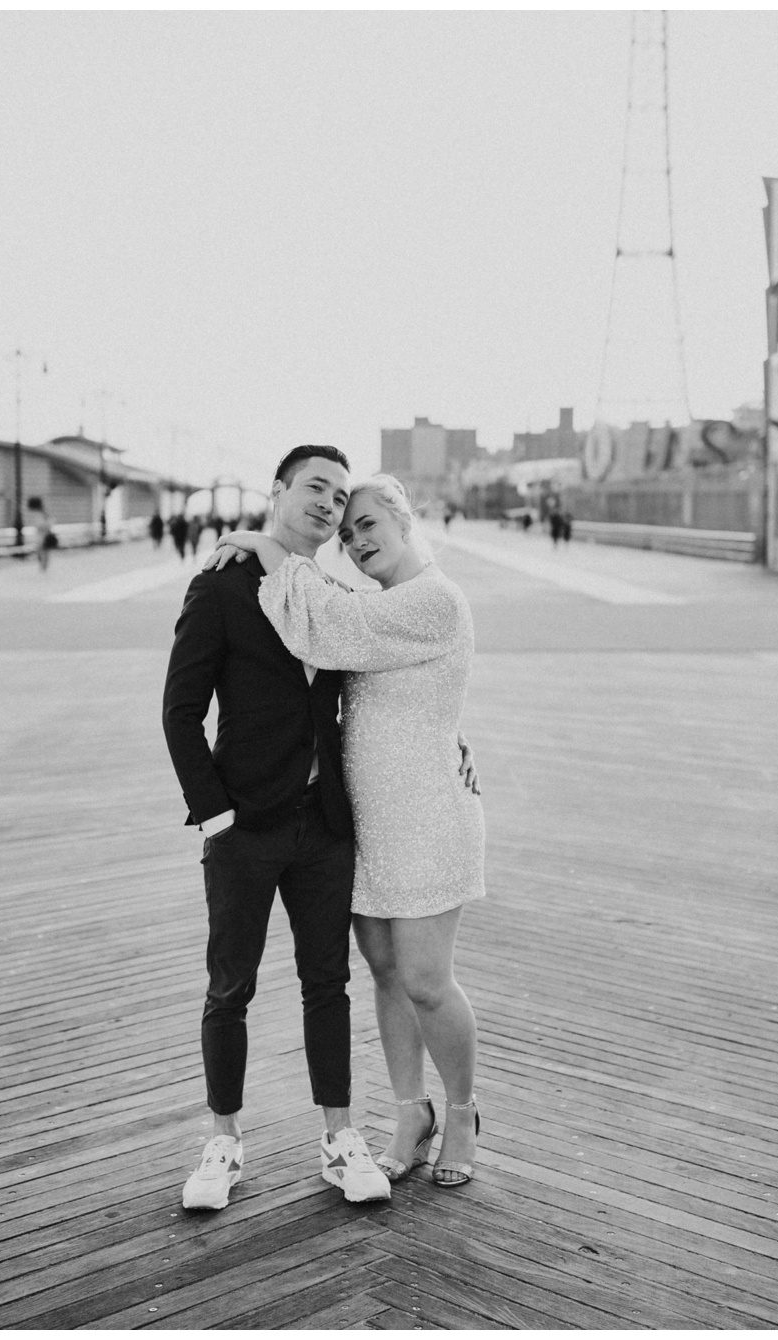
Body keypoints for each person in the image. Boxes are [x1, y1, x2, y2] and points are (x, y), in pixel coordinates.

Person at [207, 473, 486, 1189]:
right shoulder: (375, 602)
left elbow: (331, 627)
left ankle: (462, 1113)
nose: (358, 541)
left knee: (426, 980)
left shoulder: (434, 599)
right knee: (385, 973)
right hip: (364, 821)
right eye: (348, 532)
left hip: (425, 819)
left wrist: (267, 547)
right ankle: (410, 1113)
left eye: (368, 524)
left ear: (403, 521)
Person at [162, 445, 393, 1211]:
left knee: (329, 983)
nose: (329, 504)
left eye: (340, 495)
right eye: (316, 487)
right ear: (279, 491)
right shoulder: (221, 584)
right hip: (246, 823)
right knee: (230, 986)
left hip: (325, 824)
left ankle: (340, 1137)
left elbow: (376, 687)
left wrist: (447, 740)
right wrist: (216, 814)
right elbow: (180, 710)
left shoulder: (332, 592)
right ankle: (223, 1141)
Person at [28, 496, 54, 572]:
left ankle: (43, 568)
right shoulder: (41, 513)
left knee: (43, 551)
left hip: (43, 534)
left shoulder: (43, 513)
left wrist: (42, 526)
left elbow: (49, 522)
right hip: (40, 534)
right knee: (41, 551)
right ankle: (43, 567)